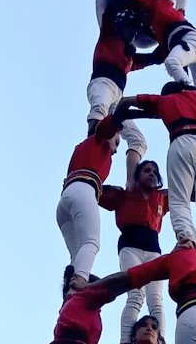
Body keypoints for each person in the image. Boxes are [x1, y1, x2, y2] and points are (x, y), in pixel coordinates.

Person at [114, 86, 196, 251]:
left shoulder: (167, 100)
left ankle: (186, 238)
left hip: (183, 139)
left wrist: (117, 117)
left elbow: (128, 101)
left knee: (179, 199)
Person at [56, 112, 146, 290]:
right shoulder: (100, 139)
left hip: (65, 199)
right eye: (117, 142)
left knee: (77, 254)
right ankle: (80, 281)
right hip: (83, 190)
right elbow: (106, 126)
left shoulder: (83, 149)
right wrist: (122, 112)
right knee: (92, 242)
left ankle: (70, 297)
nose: (116, 149)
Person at [99, 159, 169, 344]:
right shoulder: (125, 194)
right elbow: (96, 191)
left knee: (156, 299)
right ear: (137, 175)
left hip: (153, 248)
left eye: (155, 171)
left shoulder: (161, 197)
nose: (152, 174)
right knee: (136, 294)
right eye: (147, 170)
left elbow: (188, 191)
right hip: (130, 246)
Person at [89, 0, 159, 135]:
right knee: (99, 113)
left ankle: (110, 156)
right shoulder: (111, 28)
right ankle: (88, 155)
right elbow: (116, 3)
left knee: (137, 139)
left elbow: (131, 63)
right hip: (103, 81)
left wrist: (156, 57)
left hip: (118, 88)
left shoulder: (125, 48)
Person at [129, 0, 196, 92]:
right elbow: (156, 57)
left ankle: (189, 96)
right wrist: (125, 61)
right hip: (193, 43)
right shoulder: (163, 36)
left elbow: (153, 0)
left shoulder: (159, 11)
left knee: (172, 62)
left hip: (189, 40)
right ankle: (194, 98)